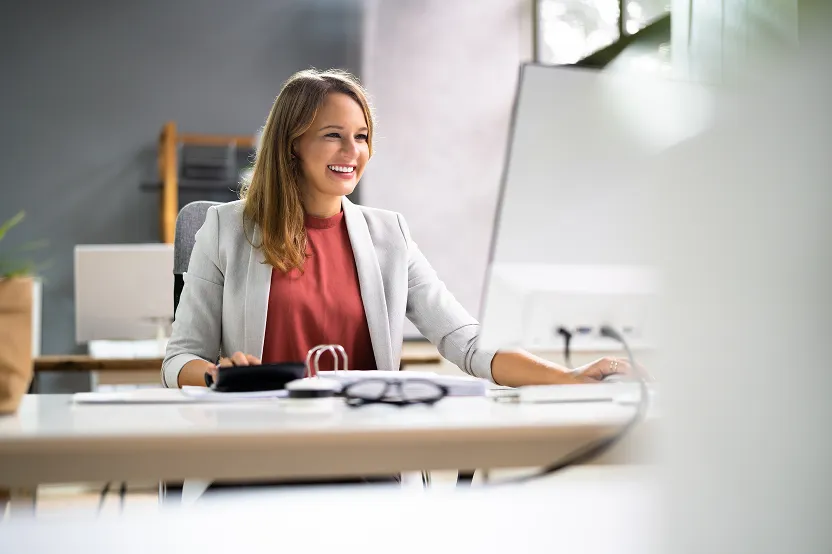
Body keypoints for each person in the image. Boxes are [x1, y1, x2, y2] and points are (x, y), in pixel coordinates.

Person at [162, 68, 632, 390]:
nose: (353, 151)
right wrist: (216, 376)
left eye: (362, 136)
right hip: (257, 448)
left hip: (367, 451)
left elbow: (467, 342)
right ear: (292, 145)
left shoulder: (389, 235)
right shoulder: (225, 229)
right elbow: (178, 359)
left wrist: (567, 378)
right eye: (333, 135)